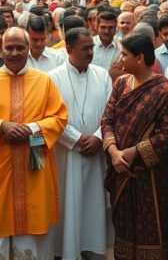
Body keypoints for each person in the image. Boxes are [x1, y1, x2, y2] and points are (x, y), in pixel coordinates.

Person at [0, 27, 68, 260]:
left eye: (20, 47)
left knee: (34, 231)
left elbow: (59, 117)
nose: (14, 52)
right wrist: (2, 127)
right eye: (8, 47)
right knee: (0, 230)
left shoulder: (44, 81)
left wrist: (31, 129)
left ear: (28, 49)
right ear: (0, 50)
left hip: (33, 170)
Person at [101, 33, 168, 260]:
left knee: (151, 225)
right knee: (124, 225)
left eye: (124, 55)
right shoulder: (121, 84)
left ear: (140, 58)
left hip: (150, 175)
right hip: (120, 170)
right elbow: (107, 120)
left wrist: (134, 152)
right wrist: (114, 151)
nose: (120, 59)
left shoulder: (164, 90)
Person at [50, 27, 111, 260]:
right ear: (69, 49)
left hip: (96, 152)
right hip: (67, 154)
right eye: (85, 48)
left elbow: (110, 113)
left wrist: (97, 136)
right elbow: (51, 117)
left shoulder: (102, 75)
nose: (90, 52)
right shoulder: (52, 78)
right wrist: (75, 139)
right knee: (68, 205)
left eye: (91, 47)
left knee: (94, 206)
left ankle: (92, 248)